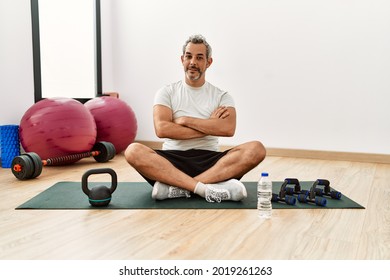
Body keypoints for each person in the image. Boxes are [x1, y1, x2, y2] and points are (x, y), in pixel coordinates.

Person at [125, 34, 266, 203]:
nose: (193, 62)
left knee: (257, 149)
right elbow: (162, 129)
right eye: (189, 56)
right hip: (171, 162)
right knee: (133, 151)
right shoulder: (166, 92)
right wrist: (210, 125)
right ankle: (203, 188)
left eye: (199, 58)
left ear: (209, 62)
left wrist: (185, 120)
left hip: (211, 162)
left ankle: (178, 188)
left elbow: (228, 129)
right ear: (182, 59)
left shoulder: (222, 96)